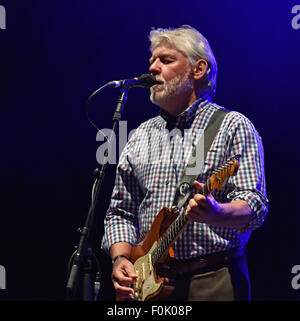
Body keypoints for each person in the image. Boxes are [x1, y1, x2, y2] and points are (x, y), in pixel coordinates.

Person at [101, 25, 268, 301]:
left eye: (166, 60)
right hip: (148, 284)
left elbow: (255, 206)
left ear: (198, 69)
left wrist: (216, 213)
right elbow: (121, 211)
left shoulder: (232, 126)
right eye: (152, 60)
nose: (153, 68)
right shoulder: (139, 135)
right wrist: (120, 259)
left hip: (212, 279)